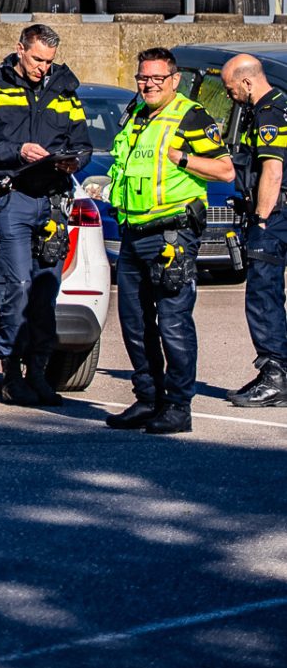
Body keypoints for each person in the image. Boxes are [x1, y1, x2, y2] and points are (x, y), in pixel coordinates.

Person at [96, 48, 233, 434]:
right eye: (143, 78)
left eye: (157, 79)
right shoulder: (136, 115)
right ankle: (147, 399)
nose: (149, 85)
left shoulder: (190, 116)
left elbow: (224, 171)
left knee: (172, 322)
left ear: (174, 80)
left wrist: (184, 159)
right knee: (134, 323)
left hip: (171, 235)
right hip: (133, 232)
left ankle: (178, 406)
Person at [0, 24, 92, 407]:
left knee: (45, 292)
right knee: (18, 286)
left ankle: (38, 374)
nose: (42, 68)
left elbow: (83, 145)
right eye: (37, 59)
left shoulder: (65, 88)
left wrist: (74, 163)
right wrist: (18, 151)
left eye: (49, 61)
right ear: (20, 49)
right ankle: (10, 374)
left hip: (52, 202)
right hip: (13, 198)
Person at [223, 55, 287, 408]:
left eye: (231, 89)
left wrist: (261, 219)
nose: (230, 95)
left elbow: (273, 171)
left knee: (263, 297)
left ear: (247, 82)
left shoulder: (269, 113)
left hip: (275, 216)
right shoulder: (279, 105)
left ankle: (276, 376)